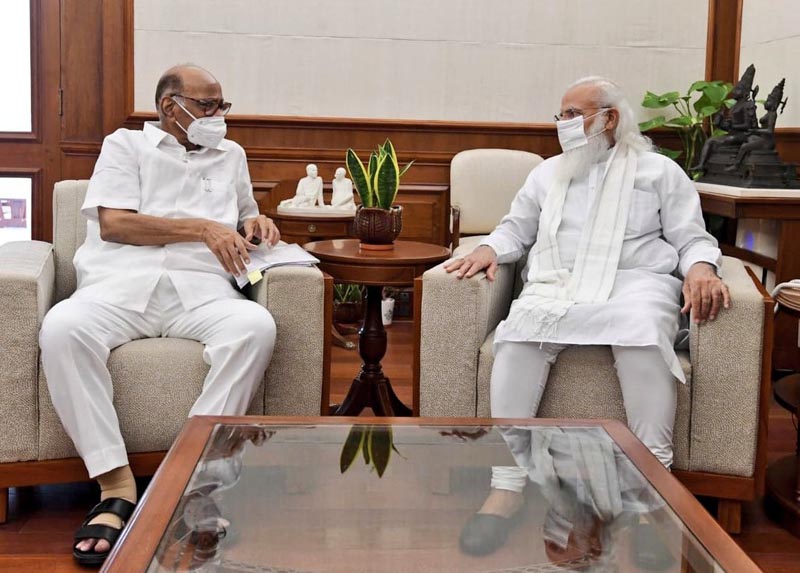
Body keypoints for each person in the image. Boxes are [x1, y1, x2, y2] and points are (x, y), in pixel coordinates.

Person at [446, 76, 728, 556]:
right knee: (517, 336)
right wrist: (490, 248)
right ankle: (507, 487)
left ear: (609, 118)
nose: (563, 124)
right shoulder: (547, 174)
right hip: (559, 284)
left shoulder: (659, 172)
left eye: (573, 115)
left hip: (633, 284)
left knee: (643, 332)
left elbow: (691, 237)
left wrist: (702, 267)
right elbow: (516, 228)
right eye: (561, 115)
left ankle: (651, 495)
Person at [38, 64, 280, 566]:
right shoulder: (125, 146)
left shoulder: (231, 155)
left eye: (222, 105)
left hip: (202, 292)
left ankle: (193, 482)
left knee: (255, 328)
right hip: (120, 288)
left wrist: (255, 222)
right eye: (207, 105)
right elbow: (114, 224)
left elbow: (242, 215)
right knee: (61, 328)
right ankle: (115, 485)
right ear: (172, 106)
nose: (218, 115)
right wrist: (201, 228)